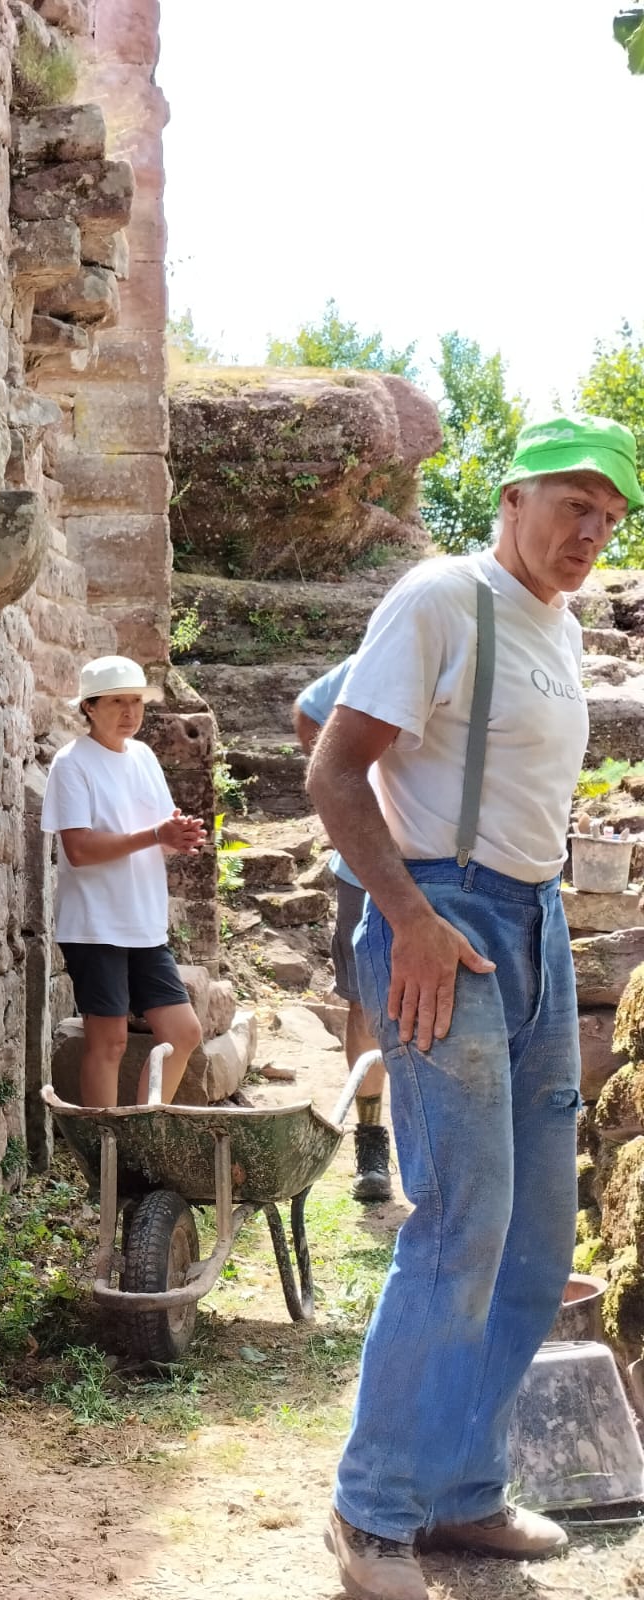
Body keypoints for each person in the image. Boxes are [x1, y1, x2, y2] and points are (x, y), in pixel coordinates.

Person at [306, 415, 643, 1600]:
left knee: (538, 1238)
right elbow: (330, 759)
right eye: (573, 504)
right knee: (461, 1222)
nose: (592, 531)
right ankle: (371, 1510)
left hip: (535, 921)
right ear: (512, 497)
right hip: (445, 914)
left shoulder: (558, 623)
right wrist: (405, 911)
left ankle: (461, 1487)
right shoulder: (444, 596)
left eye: (611, 516)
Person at [41, 655, 208, 1107]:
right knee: (108, 1042)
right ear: (90, 707)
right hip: (95, 925)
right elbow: (79, 849)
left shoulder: (144, 757)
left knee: (183, 1033)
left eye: (136, 701)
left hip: (144, 923)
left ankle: (140, 1133)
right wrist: (155, 835)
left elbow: (159, 832)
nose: (130, 712)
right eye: (117, 702)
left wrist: (177, 837)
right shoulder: (72, 763)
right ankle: (104, 1146)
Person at [293, 659, 391, 1203]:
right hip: (364, 868)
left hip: (454, 870)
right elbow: (309, 710)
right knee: (366, 1004)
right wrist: (341, 795)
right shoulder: (381, 653)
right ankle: (371, 1142)